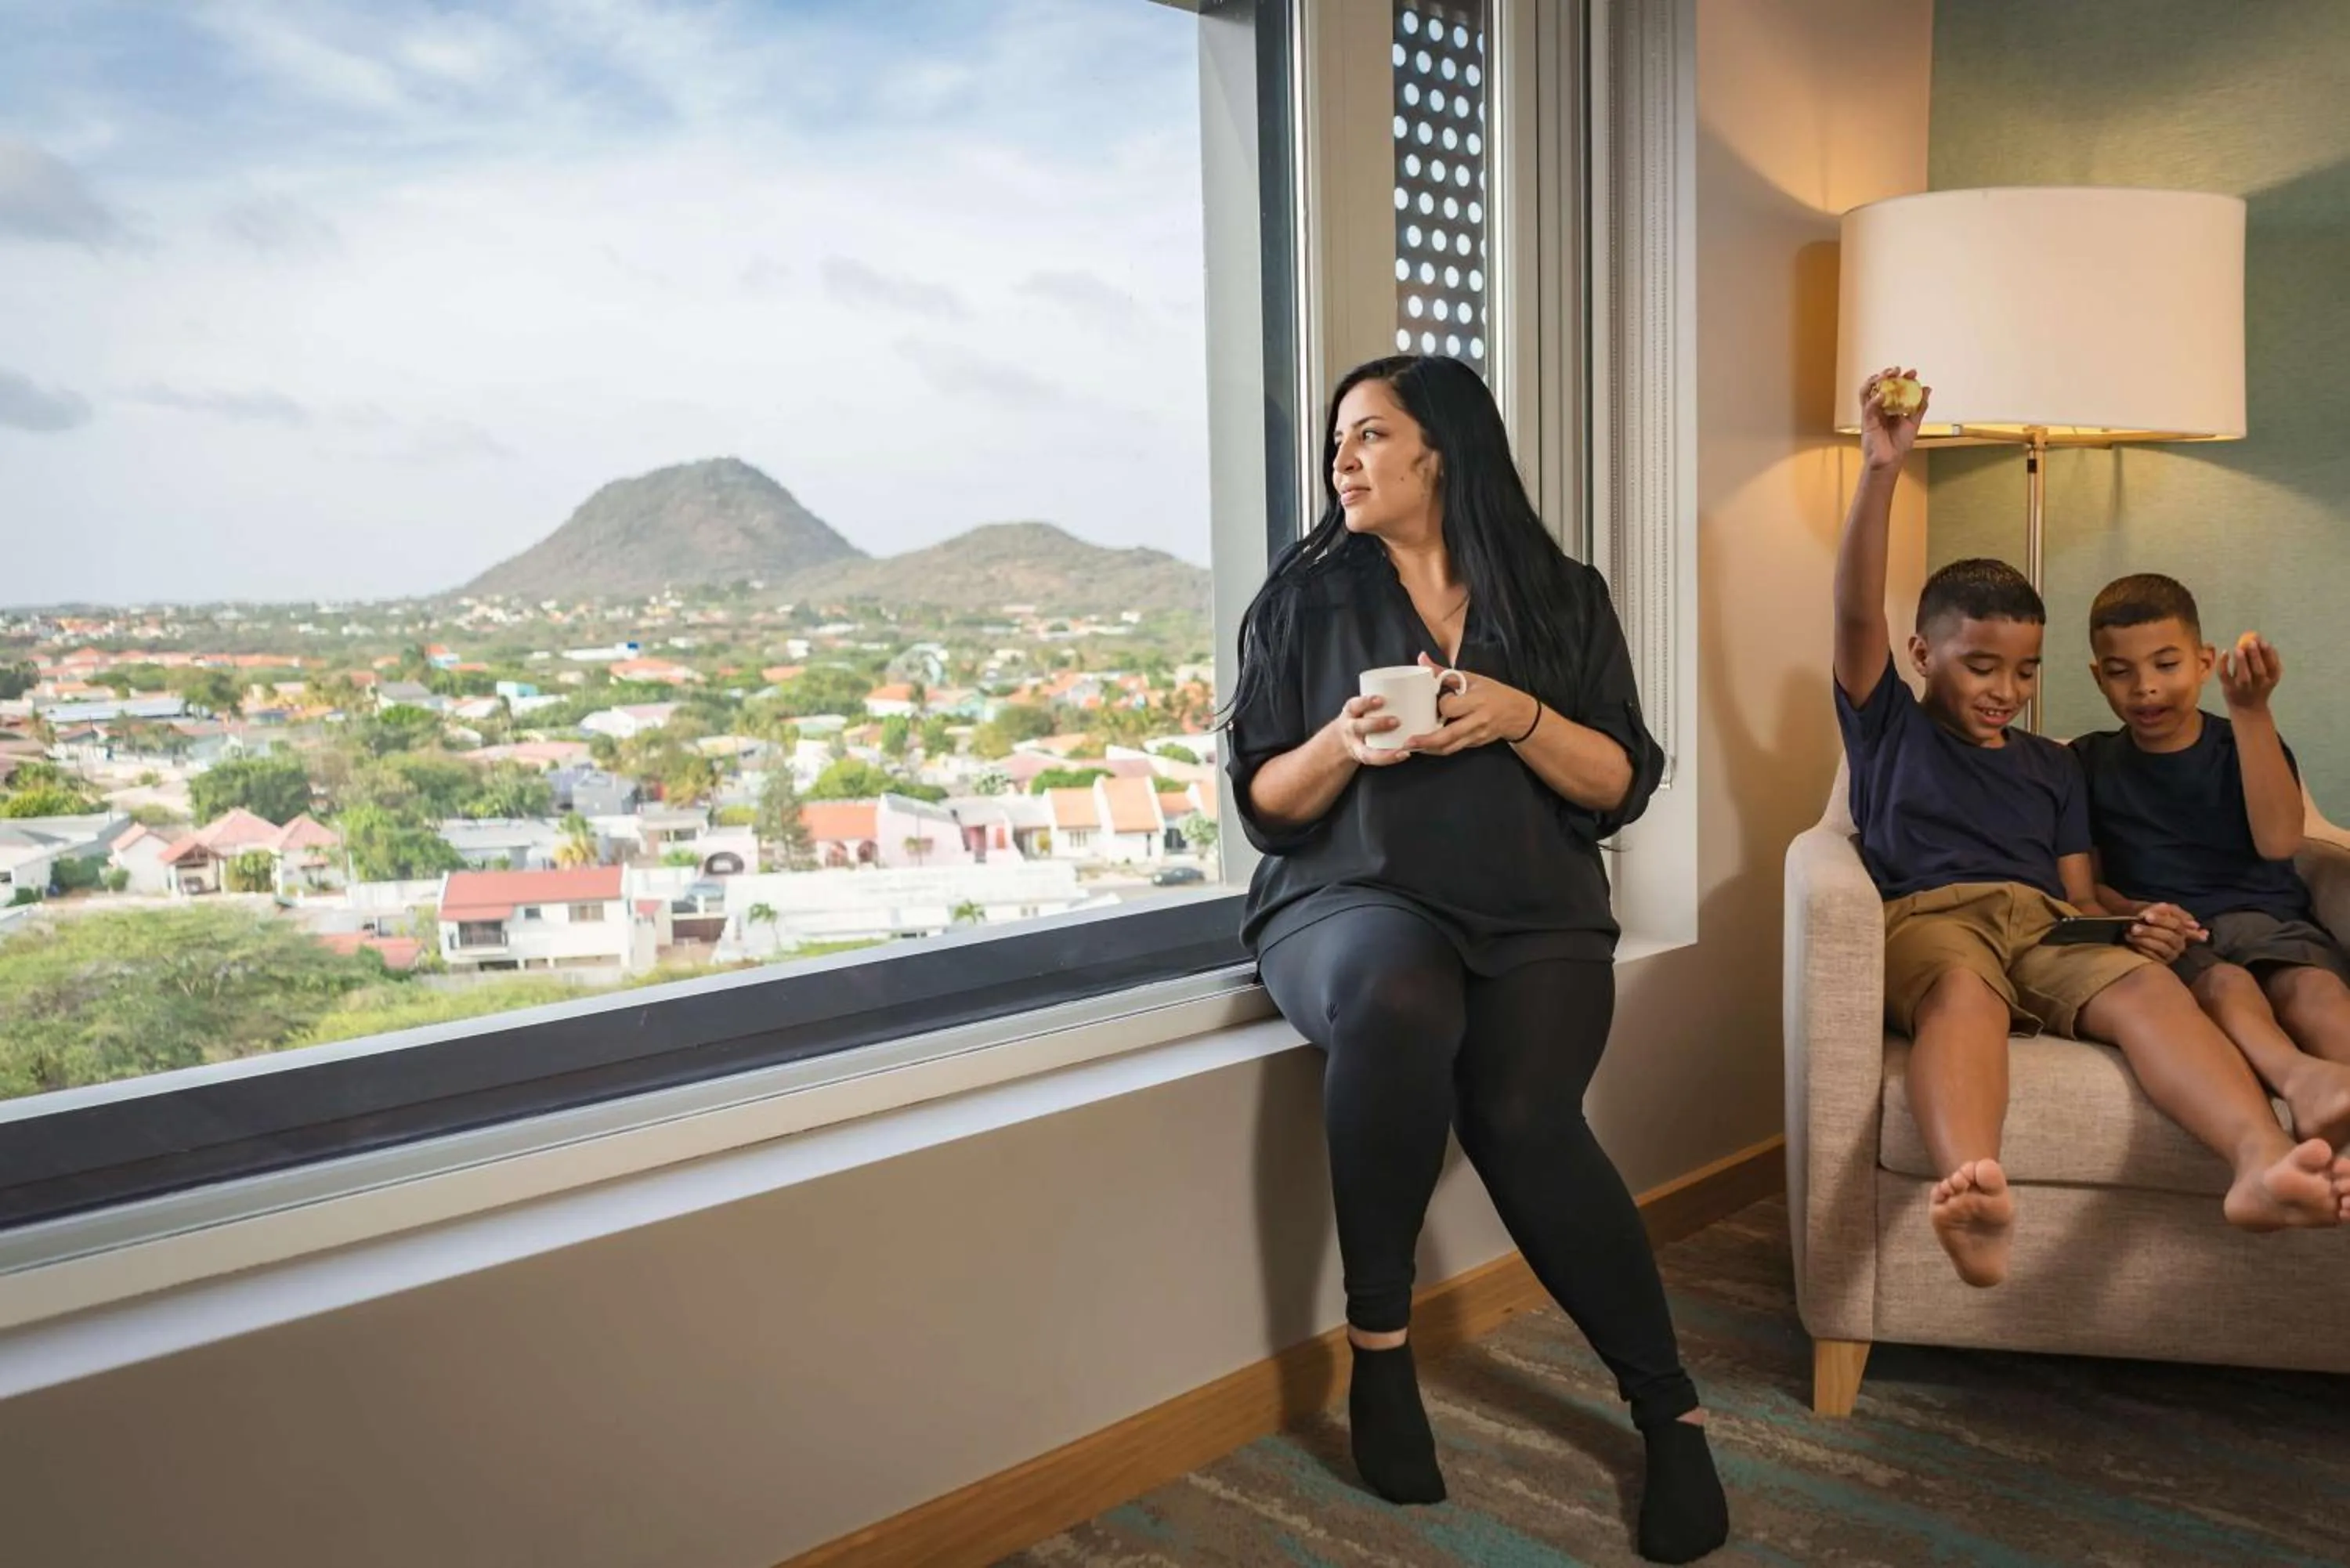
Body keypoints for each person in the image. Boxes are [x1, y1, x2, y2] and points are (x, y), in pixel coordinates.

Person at [1224, 353, 1727, 1565]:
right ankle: (1381, 1344)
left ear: (1441, 450)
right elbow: (1266, 800)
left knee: (1523, 1114)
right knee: (1399, 995)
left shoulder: (1561, 597)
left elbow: (1619, 781)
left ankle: (1671, 1413)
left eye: (1369, 434)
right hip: (1349, 895)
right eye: (1339, 440)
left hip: (1535, 909)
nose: (1343, 459)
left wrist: (1521, 715)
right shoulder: (1305, 602)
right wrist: (1341, 745)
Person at [1831, 368, 2350, 1294]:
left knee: (2153, 990)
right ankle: (1973, 1186)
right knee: (1963, 994)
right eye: (1980, 665)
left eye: (2024, 671)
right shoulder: (1889, 725)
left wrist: (2130, 921)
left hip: (2050, 921)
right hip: (1937, 916)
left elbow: (2077, 895)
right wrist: (1881, 469)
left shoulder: (2054, 765)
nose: (2005, 690)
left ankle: (2260, 1161)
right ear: (1921, 655)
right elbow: (1855, 610)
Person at [2073, 573, 2350, 1148]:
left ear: (2204, 663)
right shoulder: (2087, 762)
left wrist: (2251, 712)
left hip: (2270, 920)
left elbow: (2280, 842)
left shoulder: (2243, 739)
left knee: (2316, 992)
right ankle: (2303, 1083)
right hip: (2179, 935)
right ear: (2099, 677)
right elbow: (2087, 885)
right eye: (2121, 672)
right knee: (2227, 985)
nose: (2146, 688)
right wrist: (2137, 915)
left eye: (2166, 664)